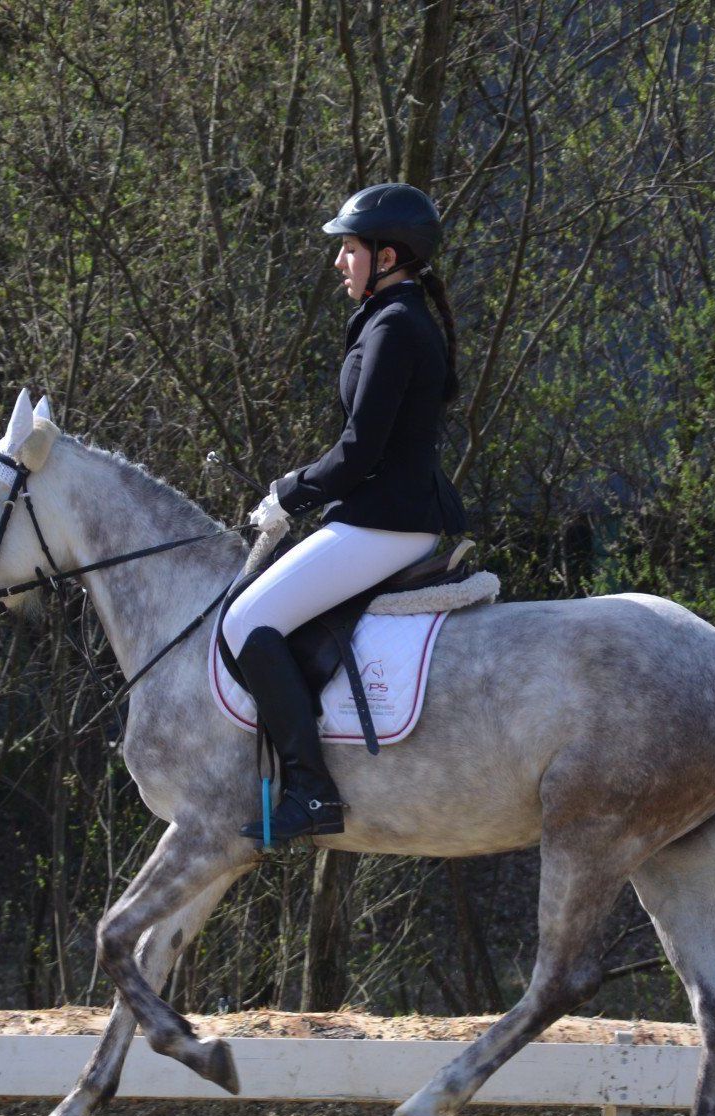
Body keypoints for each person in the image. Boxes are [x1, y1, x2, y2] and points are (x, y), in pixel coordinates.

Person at [222, 181, 469, 846]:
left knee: (247, 620)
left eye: (350, 249)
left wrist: (288, 493)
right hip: (379, 514)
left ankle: (312, 792)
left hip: (384, 521)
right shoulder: (392, 320)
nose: (338, 262)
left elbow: (359, 450)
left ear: (387, 258)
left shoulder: (395, 328)